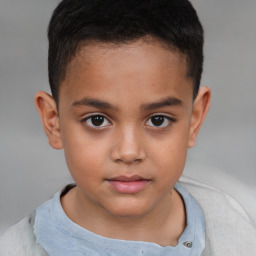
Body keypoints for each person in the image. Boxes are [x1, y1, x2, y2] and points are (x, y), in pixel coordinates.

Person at [1, 0, 256, 255]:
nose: (129, 152)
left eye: (158, 120)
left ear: (195, 118)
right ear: (53, 121)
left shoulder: (235, 232)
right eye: (97, 120)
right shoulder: (16, 249)